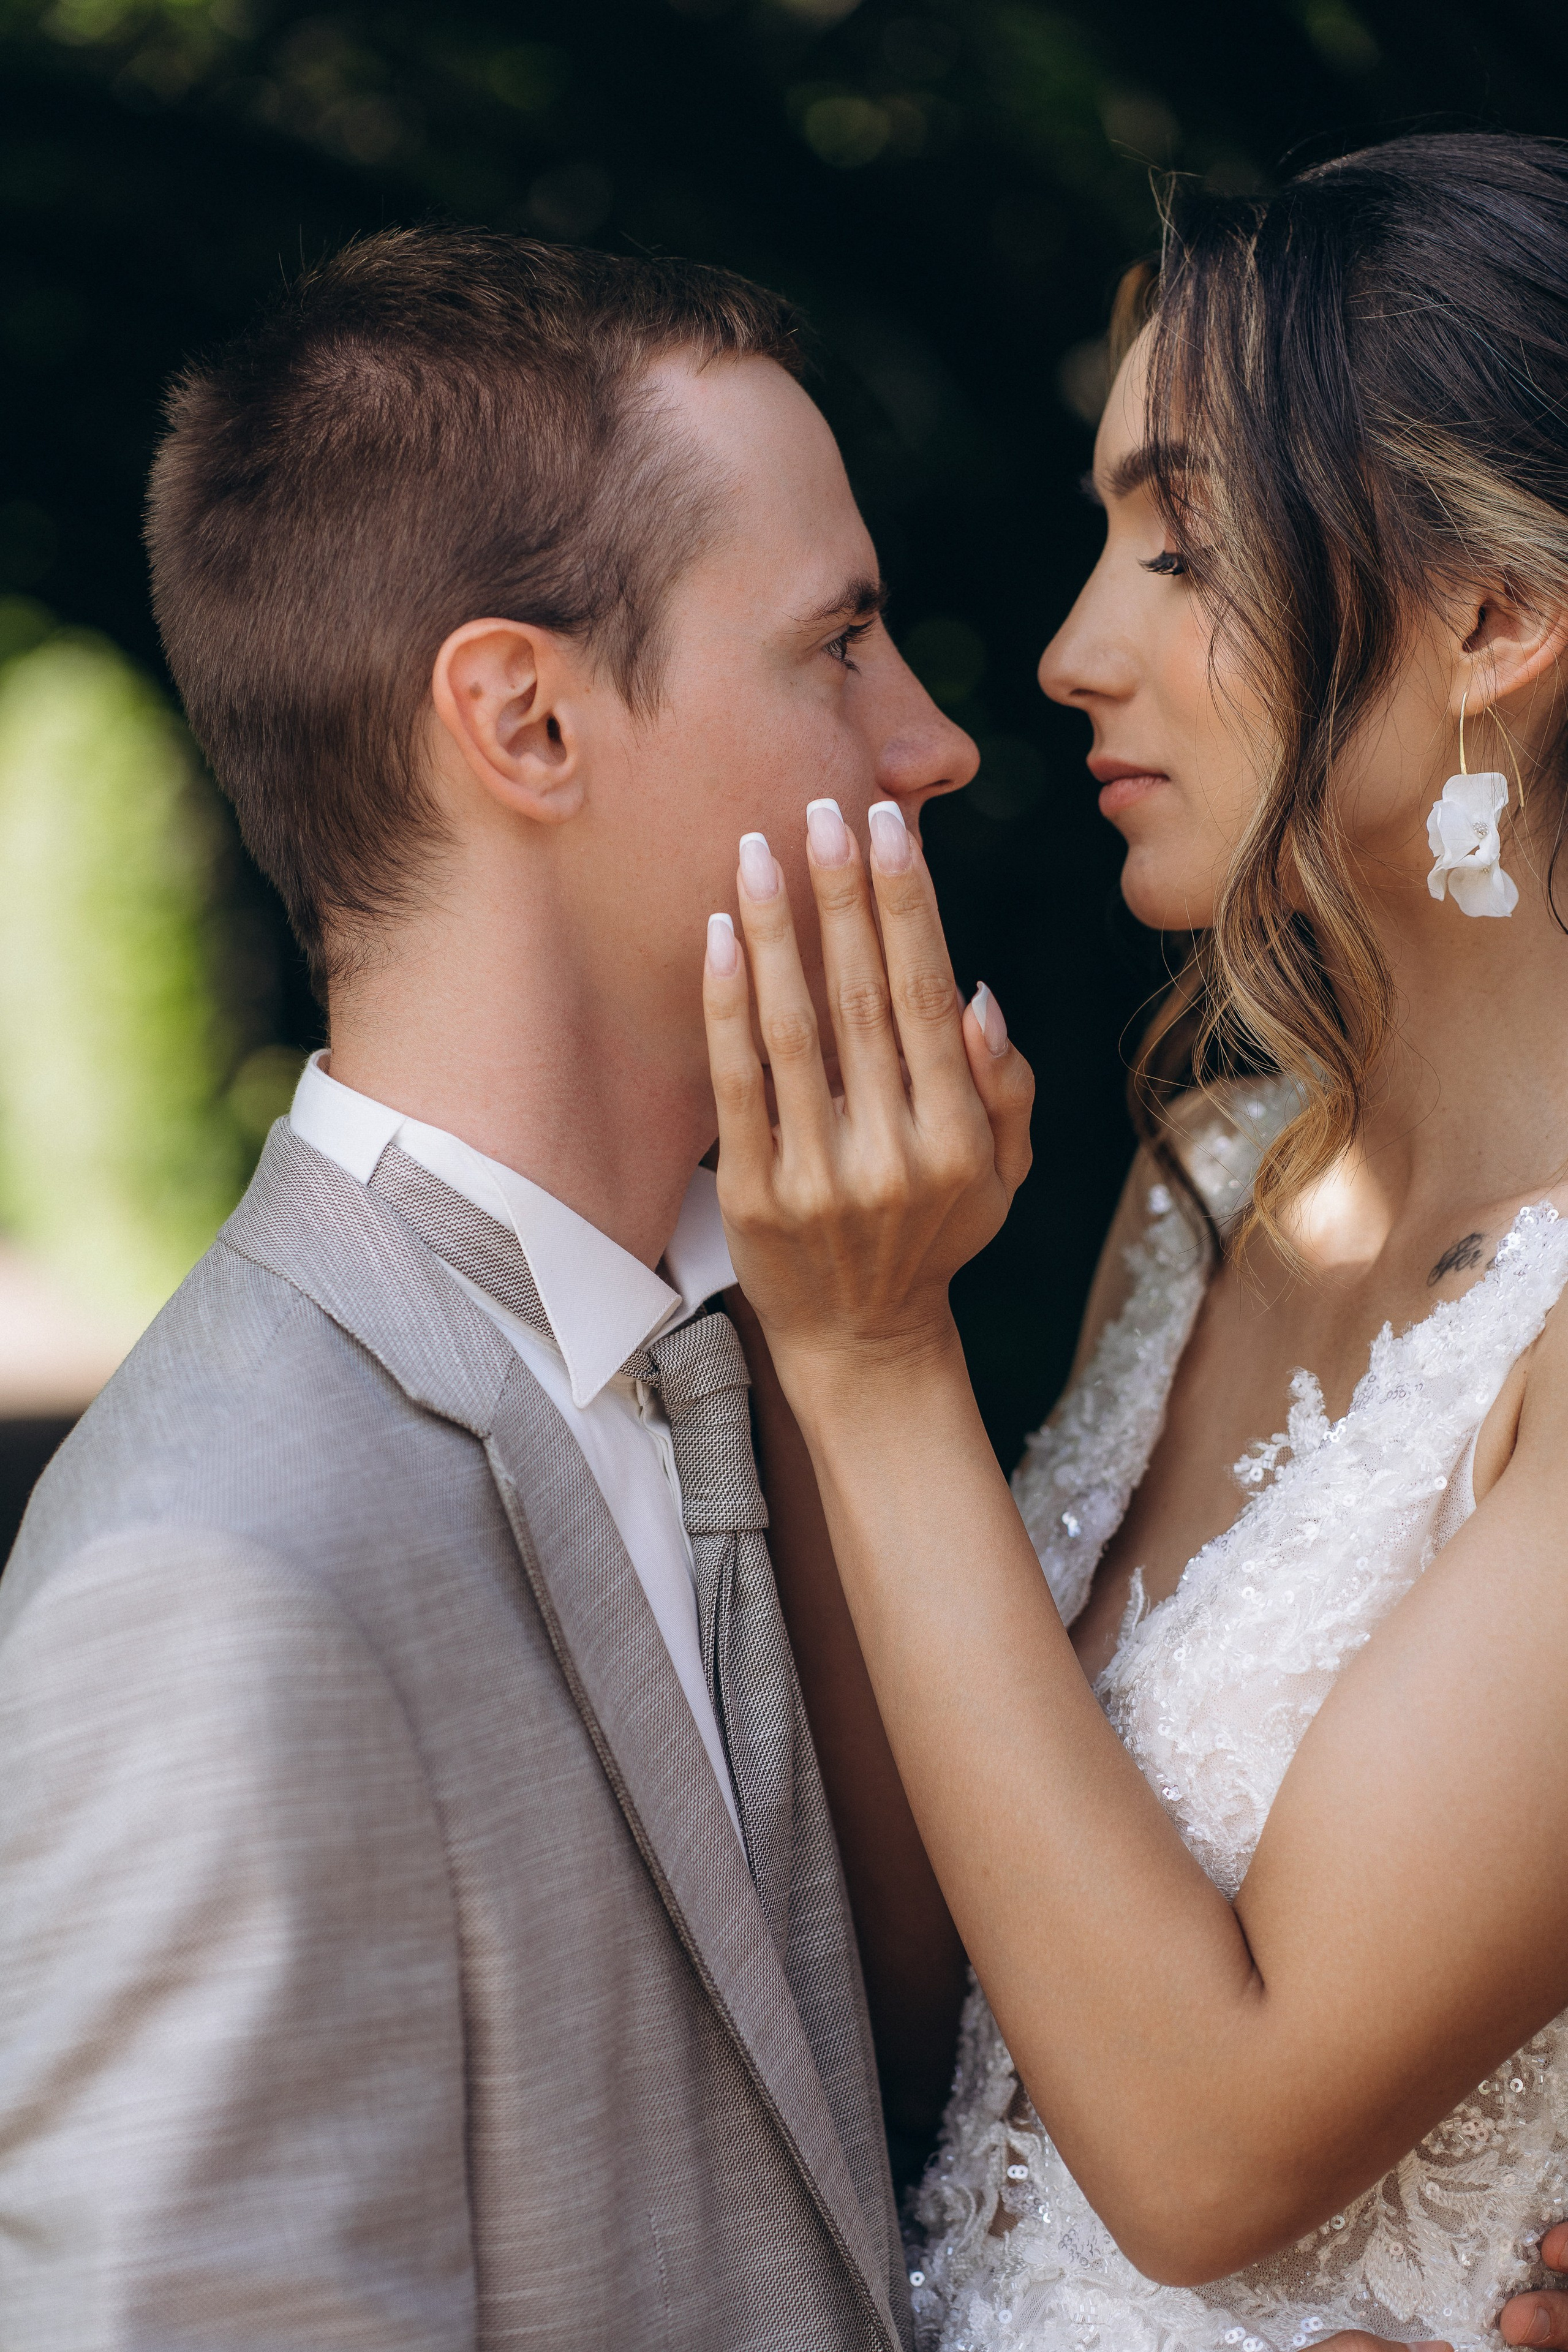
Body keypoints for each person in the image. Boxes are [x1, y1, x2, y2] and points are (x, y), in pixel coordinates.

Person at [0, 228, 976, 2348]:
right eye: (838, 646)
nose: (933, 744)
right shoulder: (216, 1580)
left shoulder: (800, 1336)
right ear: (523, 716)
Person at [701, 134, 1568, 2352]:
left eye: (1177, 546)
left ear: (1495, 615)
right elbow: (934, 1998)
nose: (1076, 650)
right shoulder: (1222, 1181)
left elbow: (1202, 2152)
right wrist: (813, 1347)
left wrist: (887, 1363)